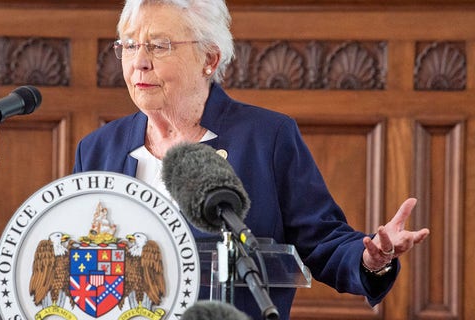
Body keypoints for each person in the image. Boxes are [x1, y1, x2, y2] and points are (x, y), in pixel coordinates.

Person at [73, 0, 430, 319]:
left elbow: (323, 241)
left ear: (209, 59)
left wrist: (371, 260)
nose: (139, 62)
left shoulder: (267, 138)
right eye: (130, 45)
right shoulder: (98, 149)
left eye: (159, 46)